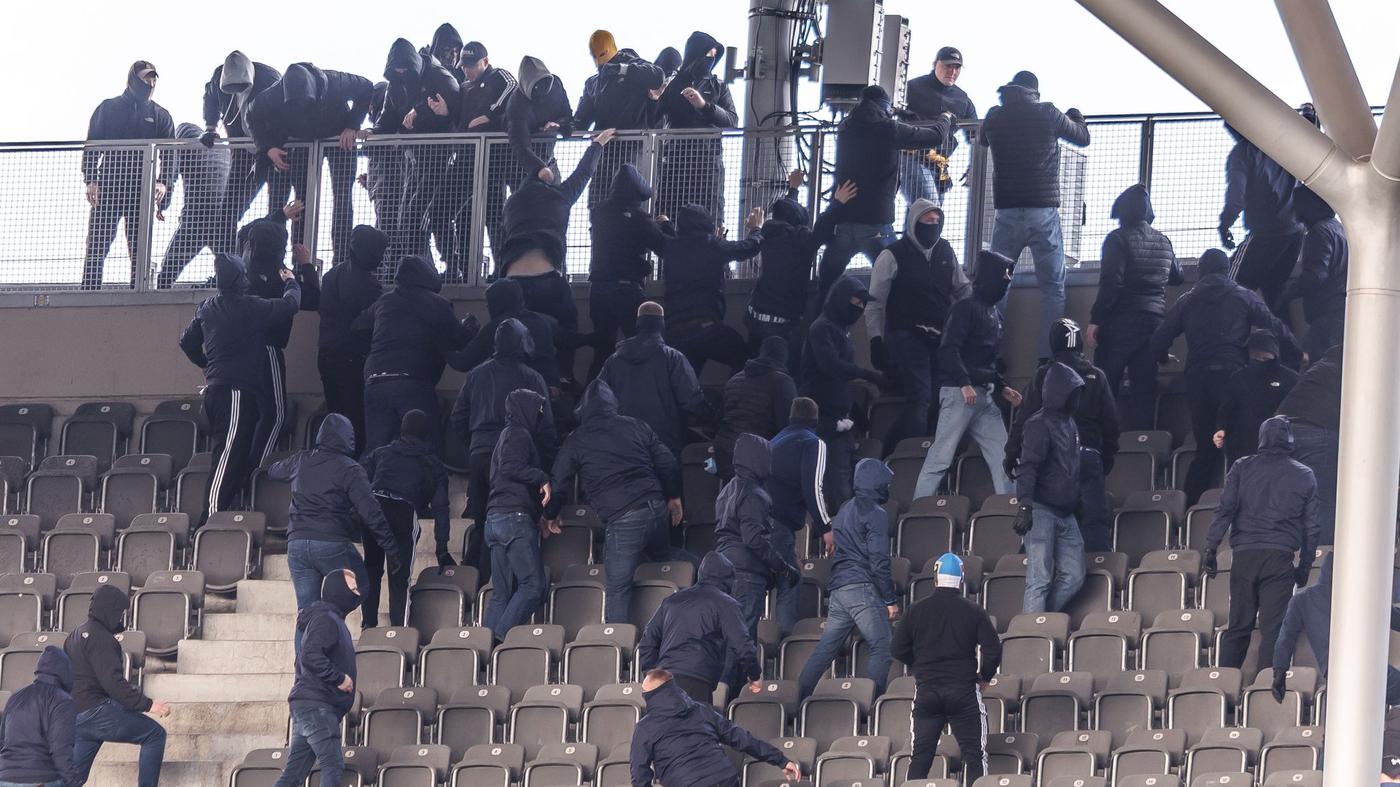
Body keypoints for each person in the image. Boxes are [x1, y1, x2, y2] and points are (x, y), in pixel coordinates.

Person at [1149, 248, 1297, 505]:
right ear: (1227, 270)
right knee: (1238, 443)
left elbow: (1159, 338)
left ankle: (1191, 507)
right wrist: (1297, 351)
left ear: (1201, 271)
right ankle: (1242, 501)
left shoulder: (1188, 300)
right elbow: (1274, 324)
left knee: (1205, 448)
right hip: (1233, 377)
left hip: (1198, 379)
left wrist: (1162, 357)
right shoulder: (1243, 296)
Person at [544, 380, 691, 623]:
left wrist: (550, 514)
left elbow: (559, 482)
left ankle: (618, 648)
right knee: (663, 553)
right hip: (656, 508)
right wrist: (673, 497)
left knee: (617, 588)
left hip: (624, 517)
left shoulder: (577, 439)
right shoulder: (636, 426)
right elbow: (668, 462)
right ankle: (708, 569)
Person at [179, 253, 301, 522]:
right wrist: (292, 282)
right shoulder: (250, 307)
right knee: (226, 456)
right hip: (234, 394)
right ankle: (209, 519)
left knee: (234, 454)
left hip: (217, 391)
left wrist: (205, 364)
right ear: (239, 280)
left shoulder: (207, 307)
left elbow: (186, 342)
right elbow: (290, 305)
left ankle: (222, 513)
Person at [980, 70, 1091, 358]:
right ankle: (1048, 358)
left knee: (997, 287)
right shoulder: (1048, 113)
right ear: (1034, 92)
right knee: (1053, 287)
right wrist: (1076, 115)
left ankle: (991, 355)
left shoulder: (995, 115)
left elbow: (981, 140)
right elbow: (1082, 137)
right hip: (1042, 212)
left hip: (1006, 213)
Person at [270, 414, 404, 645]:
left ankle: (305, 672)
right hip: (330, 542)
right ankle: (330, 622)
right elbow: (371, 511)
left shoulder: (301, 460)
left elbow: (273, 471)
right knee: (359, 585)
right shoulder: (349, 469)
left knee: (305, 613)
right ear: (348, 439)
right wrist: (391, 548)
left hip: (297, 543)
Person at [498, 128, 618, 384]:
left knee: (516, 331)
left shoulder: (512, 204)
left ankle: (518, 376)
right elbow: (584, 173)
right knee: (567, 324)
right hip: (547, 279)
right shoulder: (560, 196)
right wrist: (597, 144)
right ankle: (564, 376)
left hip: (513, 282)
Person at [1204, 415, 1319, 669]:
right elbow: (1312, 528)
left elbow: (1225, 510)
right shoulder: (1304, 475)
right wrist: (1304, 567)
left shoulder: (1242, 467)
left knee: (1238, 627)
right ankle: (1265, 690)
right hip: (1280, 558)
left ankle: (1225, 682)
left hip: (1244, 556)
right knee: (1273, 630)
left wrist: (1211, 548)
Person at [820, 85, 952, 293]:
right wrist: (945, 118)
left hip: (843, 220)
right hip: (876, 224)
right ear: (885, 107)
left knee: (826, 282)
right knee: (898, 280)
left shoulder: (845, 127)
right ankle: (894, 324)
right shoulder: (888, 128)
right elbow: (935, 137)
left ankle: (817, 319)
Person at [913, 251, 1020, 500]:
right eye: (1004, 274)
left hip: (982, 394)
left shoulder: (994, 314)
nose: (1007, 279)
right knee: (941, 456)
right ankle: (920, 505)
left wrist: (1001, 386)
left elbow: (986, 359)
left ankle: (1009, 507)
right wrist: (963, 383)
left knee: (1003, 456)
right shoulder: (964, 309)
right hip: (961, 394)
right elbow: (949, 348)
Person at [1007, 319, 1119, 553]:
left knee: (1044, 514)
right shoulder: (1097, 376)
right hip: (1089, 456)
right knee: (1094, 522)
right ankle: (1101, 578)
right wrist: (1104, 457)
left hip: (1052, 461)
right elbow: (1111, 425)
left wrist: (1011, 453)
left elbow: (1025, 418)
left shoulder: (1044, 375)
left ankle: (1028, 571)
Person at [452, 319, 554, 575]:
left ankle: (479, 580)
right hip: (517, 459)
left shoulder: (476, 374)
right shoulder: (532, 378)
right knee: (517, 517)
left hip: (481, 455)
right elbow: (547, 428)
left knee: (482, 520)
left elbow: (458, 418)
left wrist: (475, 446)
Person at [866, 199, 970, 449]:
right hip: (906, 337)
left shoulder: (945, 251)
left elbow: (962, 288)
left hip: (940, 338)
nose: (933, 226)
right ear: (914, 222)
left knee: (938, 398)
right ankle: (912, 454)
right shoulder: (891, 255)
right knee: (921, 396)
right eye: (927, 221)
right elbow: (875, 303)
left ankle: (892, 448)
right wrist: (875, 340)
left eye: (936, 221)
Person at [246, 63, 374, 261]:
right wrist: (268, 147)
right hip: (300, 142)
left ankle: (341, 261)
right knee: (300, 203)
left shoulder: (334, 82)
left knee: (342, 198)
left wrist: (352, 125)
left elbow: (366, 87)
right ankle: (298, 263)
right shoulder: (274, 95)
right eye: (295, 103)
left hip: (339, 138)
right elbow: (251, 115)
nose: (301, 107)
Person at [893, 552, 1001, 784]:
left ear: (935, 578)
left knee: (920, 756)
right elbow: (993, 650)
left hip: (927, 692)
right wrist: (985, 677)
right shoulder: (973, 611)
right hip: (963, 692)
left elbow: (896, 648)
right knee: (974, 755)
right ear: (961, 580)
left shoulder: (916, 610)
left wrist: (917, 664)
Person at [798, 458, 898, 698]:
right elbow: (878, 559)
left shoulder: (845, 508)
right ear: (878, 483)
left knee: (826, 649)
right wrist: (889, 599)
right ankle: (871, 705)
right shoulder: (876, 513)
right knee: (883, 647)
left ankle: (798, 697)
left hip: (839, 589)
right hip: (861, 587)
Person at [356, 254, 475, 455]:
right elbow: (457, 339)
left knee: (376, 450)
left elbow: (358, 325)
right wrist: (471, 328)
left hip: (375, 380)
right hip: (412, 381)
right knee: (427, 447)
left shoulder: (385, 301)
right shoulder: (437, 303)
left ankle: (371, 485)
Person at [1087, 184, 1182, 430]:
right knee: (1144, 388)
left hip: (1121, 322)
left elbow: (1111, 284)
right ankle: (1143, 443)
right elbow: (1177, 276)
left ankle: (1102, 439)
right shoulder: (1164, 241)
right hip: (1154, 323)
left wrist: (1096, 320)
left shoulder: (1117, 239)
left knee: (1107, 383)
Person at [238, 206, 322, 470]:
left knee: (247, 413)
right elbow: (313, 299)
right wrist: (306, 266)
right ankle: (255, 469)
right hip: (267, 350)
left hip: (238, 351)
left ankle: (239, 467)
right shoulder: (281, 275)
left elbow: (244, 232)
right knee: (275, 413)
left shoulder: (241, 268)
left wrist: (279, 216)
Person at [82, 61, 176, 289]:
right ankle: (89, 291)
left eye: (153, 78)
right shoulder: (108, 108)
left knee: (139, 247)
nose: (150, 83)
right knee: (97, 244)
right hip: (109, 186)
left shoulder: (160, 115)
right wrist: (91, 180)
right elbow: (92, 145)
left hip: (141, 190)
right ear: (133, 79)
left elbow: (171, 154)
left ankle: (138, 291)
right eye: (145, 78)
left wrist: (164, 184)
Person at [66, 585, 170, 787]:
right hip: (97, 713)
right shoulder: (102, 639)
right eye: (120, 612)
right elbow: (113, 683)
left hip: (76, 716)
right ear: (110, 610)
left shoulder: (74, 635)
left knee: (72, 779)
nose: (121, 617)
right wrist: (148, 705)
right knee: (154, 734)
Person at [748, 174, 855, 367]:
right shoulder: (798, 239)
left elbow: (787, 211)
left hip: (755, 316)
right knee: (784, 368)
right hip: (781, 322)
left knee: (753, 363)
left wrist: (793, 189)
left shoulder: (769, 233)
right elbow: (820, 231)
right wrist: (837, 203)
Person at [629, 669, 802, 787]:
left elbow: (639, 773)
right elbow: (741, 738)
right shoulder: (701, 710)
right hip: (725, 779)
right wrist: (780, 760)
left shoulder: (645, 728)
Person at [374, 38, 462, 267]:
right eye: (397, 70)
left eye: (405, 69)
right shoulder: (394, 84)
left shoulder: (436, 73)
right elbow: (388, 118)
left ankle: (439, 267)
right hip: (414, 157)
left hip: (440, 154)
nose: (402, 73)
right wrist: (371, 132)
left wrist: (419, 111)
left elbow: (454, 98)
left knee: (418, 215)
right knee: (407, 217)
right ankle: (423, 267)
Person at [271, 569, 361, 787]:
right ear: (338, 591)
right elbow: (311, 656)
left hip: (310, 706)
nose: (357, 593)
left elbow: (302, 659)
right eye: (353, 588)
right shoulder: (326, 619)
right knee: (333, 766)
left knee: (293, 776)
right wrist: (340, 678)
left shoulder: (328, 619)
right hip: (317, 707)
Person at [1272, 554, 1400, 706]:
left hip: (1334, 673)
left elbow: (1286, 638)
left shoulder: (1302, 600)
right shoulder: (1362, 595)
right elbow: (1394, 619)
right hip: (1367, 666)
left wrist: (1279, 672)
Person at [801, 275, 882, 511]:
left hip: (840, 419)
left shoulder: (841, 329)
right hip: (821, 421)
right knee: (828, 485)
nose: (859, 309)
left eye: (862, 305)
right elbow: (831, 367)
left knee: (841, 483)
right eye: (855, 303)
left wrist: (854, 410)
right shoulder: (822, 328)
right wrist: (869, 375)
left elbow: (841, 380)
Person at [1010, 362, 1086, 613]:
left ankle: (1044, 621)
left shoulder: (1070, 424)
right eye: (1074, 392)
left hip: (1067, 512)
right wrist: (1025, 505)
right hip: (1041, 510)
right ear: (1061, 393)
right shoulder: (1038, 424)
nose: (1077, 398)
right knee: (1039, 579)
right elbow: (1028, 466)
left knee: (1074, 575)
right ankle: (1031, 639)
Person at [361, 409, 451, 621]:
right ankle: (398, 632)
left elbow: (358, 481)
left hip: (375, 508)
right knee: (399, 575)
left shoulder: (381, 453)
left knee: (372, 568)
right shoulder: (432, 463)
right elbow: (440, 506)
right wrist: (442, 545)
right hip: (402, 511)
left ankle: (368, 625)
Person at [638, 551, 762, 704]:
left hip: (665, 681)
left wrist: (652, 674)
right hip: (697, 681)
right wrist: (754, 675)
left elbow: (647, 641)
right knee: (695, 727)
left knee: (665, 727)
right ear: (729, 580)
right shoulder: (726, 604)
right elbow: (742, 643)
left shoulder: (672, 600)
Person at [587, 164, 673, 380]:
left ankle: (590, 402)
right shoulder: (638, 218)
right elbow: (665, 248)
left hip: (598, 289)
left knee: (602, 349)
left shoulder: (599, 213)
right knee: (644, 347)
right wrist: (664, 226)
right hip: (627, 290)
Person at [481, 389, 555, 641]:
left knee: (502, 593)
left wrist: (537, 515)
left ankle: (481, 651)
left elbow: (500, 477)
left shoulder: (504, 436)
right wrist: (542, 478)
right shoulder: (519, 434)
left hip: (495, 520)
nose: (541, 415)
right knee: (534, 587)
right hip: (513, 520)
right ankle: (501, 640)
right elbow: (512, 468)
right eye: (538, 409)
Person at [661, 203, 764, 377]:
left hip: (674, 331)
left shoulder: (671, 247)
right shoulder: (713, 246)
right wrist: (756, 228)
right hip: (707, 328)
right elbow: (749, 247)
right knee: (744, 357)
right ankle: (732, 399)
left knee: (686, 381)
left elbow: (685, 248)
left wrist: (666, 225)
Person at [715, 434, 799, 640]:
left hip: (725, 568)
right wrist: (783, 567)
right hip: (746, 574)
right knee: (740, 639)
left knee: (726, 636)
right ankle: (736, 674)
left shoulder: (727, 489)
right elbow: (753, 539)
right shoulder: (754, 493)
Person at [598, 302, 707, 461]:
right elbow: (691, 401)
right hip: (664, 443)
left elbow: (598, 399)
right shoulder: (673, 358)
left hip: (624, 442)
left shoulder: (613, 361)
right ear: (661, 325)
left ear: (638, 324)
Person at [200, 51, 286, 248]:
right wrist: (210, 127)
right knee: (227, 214)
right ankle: (230, 264)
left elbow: (282, 117)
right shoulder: (216, 79)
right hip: (242, 153)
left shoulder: (270, 79)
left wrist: (269, 147)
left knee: (277, 211)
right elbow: (210, 99)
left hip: (274, 152)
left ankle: (273, 263)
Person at [1219, 120, 1305, 317]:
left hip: (1266, 231)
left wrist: (1225, 225)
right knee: (1275, 291)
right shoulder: (1282, 148)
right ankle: (1288, 346)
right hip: (1295, 232)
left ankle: (1225, 344)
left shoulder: (1242, 153)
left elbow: (1235, 197)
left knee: (1229, 286)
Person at [575, 31, 665, 212]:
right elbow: (581, 121)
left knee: (629, 205)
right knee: (598, 206)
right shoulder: (594, 82)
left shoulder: (633, 67)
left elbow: (657, 75)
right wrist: (563, 125)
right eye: (594, 56)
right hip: (604, 152)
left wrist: (622, 69)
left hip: (633, 150)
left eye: (601, 54)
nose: (599, 61)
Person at [318, 224, 389, 455]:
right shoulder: (369, 286)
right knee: (357, 421)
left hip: (327, 354)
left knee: (336, 417)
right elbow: (370, 324)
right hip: (352, 358)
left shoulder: (332, 275)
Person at [655, 31, 738, 220]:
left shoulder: (718, 86)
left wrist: (705, 106)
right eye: (709, 53)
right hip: (676, 163)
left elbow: (733, 121)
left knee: (709, 220)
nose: (712, 57)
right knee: (671, 218)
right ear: (696, 53)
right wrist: (654, 100)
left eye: (715, 54)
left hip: (708, 164)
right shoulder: (672, 84)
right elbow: (653, 120)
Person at [767, 397, 832, 637]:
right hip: (779, 524)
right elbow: (813, 487)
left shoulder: (775, 440)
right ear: (815, 419)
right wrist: (825, 527)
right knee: (790, 578)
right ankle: (785, 642)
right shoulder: (813, 442)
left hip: (757, 522)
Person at [457, 42, 519, 266]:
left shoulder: (500, 76)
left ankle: (501, 266)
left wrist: (489, 115)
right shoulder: (464, 87)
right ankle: (464, 267)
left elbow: (513, 87)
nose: (467, 70)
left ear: (485, 61)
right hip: (467, 161)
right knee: (464, 216)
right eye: (464, 65)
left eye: (472, 65)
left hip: (494, 160)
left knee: (495, 216)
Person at [1275, 343, 1342, 544]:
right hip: (1316, 430)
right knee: (1322, 502)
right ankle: (1320, 558)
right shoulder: (1351, 370)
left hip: (1281, 430)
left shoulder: (1319, 368)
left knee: (1287, 501)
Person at [154, 122, 233, 288]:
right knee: (235, 269)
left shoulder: (186, 139)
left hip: (196, 217)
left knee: (166, 277)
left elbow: (172, 170)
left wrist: (163, 204)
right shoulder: (224, 149)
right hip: (224, 216)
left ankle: (158, 297)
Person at [448, 277, 560, 390]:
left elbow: (462, 363)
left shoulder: (499, 326)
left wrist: (440, 340)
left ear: (496, 304)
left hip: (514, 396)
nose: (487, 307)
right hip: (547, 390)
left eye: (489, 303)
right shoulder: (541, 320)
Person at [901, 46, 978, 204]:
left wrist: (974, 167)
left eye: (957, 67)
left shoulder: (963, 99)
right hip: (910, 157)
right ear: (935, 64)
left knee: (929, 218)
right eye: (948, 65)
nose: (952, 71)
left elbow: (975, 136)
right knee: (930, 206)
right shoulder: (911, 88)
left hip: (938, 165)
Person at [1280, 184, 1347, 360]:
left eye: (1297, 206)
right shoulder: (1339, 228)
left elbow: (1316, 275)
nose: (1295, 212)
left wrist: (1287, 294)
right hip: (1342, 309)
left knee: (1317, 366)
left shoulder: (1318, 232)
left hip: (1327, 314)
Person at [1212, 330, 1298, 465]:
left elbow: (1296, 410)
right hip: (1243, 445)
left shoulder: (1290, 379)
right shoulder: (1238, 378)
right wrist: (1221, 428)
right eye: (1255, 356)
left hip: (1279, 446)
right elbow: (1227, 408)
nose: (1259, 361)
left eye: (1264, 357)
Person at [714, 336, 795, 479]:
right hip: (757, 455)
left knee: (733, 496)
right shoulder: (782, 382)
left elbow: (719, 418)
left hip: (726, 453)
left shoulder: (734, 379)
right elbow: (788, 426)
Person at [0, 646, 80, 787]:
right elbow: (60, 750)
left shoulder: (15, 697)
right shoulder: (63, 701)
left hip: (5, 778)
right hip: (40, 778)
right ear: (66, 672)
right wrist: (75, 782)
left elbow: (2, 741)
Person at [508, 57, 574, 191]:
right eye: (536, 87)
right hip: (521, 167)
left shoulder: (556, 85)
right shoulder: (516, 105)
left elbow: (567, 114)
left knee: (556, 206)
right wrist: (540, 168)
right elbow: (520, 145)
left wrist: (558, 125)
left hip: (549, 160)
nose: (541, 92)